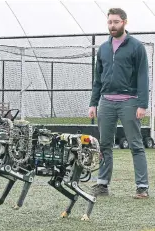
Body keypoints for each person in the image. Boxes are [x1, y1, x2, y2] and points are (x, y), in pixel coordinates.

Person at [88, 8, 149, 199]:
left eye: (116, 22)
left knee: (136, 145)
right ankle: (102, 185)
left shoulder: (136, 47)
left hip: (129, 102)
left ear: (124, 22)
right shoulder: (104, 49)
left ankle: (142, 187)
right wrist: (93, 103)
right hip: (106, 102)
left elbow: (142, 76)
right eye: (109, 22)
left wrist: (142, 104)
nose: (112, 26)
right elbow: (97, 78)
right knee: (105, 144)